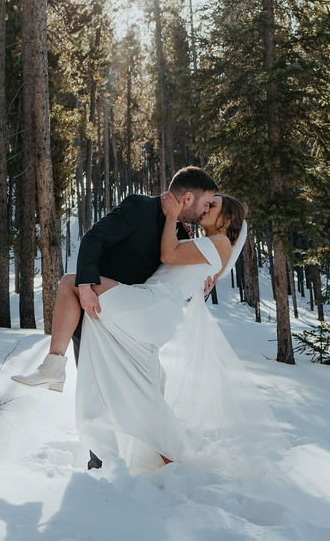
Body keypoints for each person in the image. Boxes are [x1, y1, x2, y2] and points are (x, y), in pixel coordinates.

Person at [73, 192, 247, 473]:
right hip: (154, 307)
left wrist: (169, 217)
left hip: (153, 306)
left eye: (212, 206)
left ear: (226, 219)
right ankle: (160, 456)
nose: (206, 209)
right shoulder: (211, 243)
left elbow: (169, 254)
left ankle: (54, 363)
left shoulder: (220, 241)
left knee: (74, 283)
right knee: (143, 385)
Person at [11, 166, 219, 392]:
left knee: (136, 393)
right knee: (96, 392)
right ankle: (53, 369)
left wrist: (200, 291)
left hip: (132, 323)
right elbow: (94, 238)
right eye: (206, 204)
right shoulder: (140, 207)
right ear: (188, 198)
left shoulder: (178, 235)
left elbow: (168, 285)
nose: (206, 211)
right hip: (95, 310)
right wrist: (86, 288)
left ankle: (53, 368)